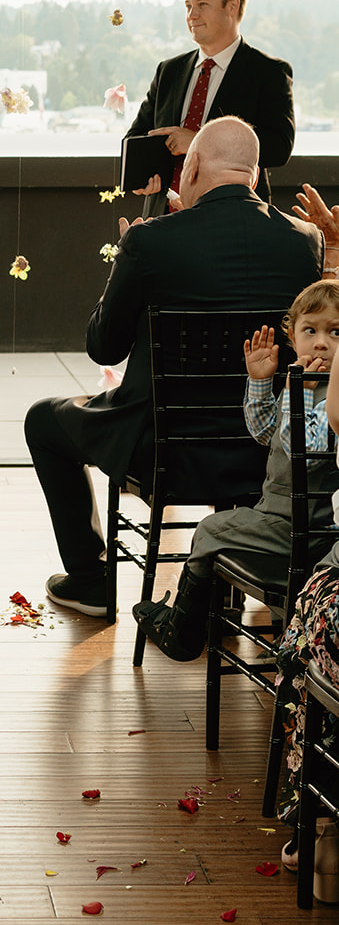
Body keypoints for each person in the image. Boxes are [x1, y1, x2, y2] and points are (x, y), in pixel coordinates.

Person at [24, 117, 325, 618]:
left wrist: (129, 256)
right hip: (266, 448)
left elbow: (103, 347)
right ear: (252, 176)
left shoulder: (151, 242)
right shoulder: (305, 241)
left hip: (164, 447)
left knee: (42, 419)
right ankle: (223, 592)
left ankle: (92, 580)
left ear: (194, 166)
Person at [133, 277, 339, 661]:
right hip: (277, 518)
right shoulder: (302, 380)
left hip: (306, 528)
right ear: (293, 337)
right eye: (310, 330)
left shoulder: (329, 394)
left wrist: (303, 386)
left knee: (211, 529)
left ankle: (182, 629)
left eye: (336, 332)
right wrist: (261, 382)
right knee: (221, 530)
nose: (322, 342)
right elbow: (265, 433)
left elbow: (304, 452)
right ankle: (193, 620)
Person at [125, 0, 295, 218]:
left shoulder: (268, 72)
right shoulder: (168, 71)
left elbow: (279, 147)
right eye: (188, 6)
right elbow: (136, 138)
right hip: (163, 221)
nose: (191, 15)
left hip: (235, 222)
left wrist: (197, 141)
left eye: (202, 5)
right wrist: (143, 176)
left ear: (232, 6)